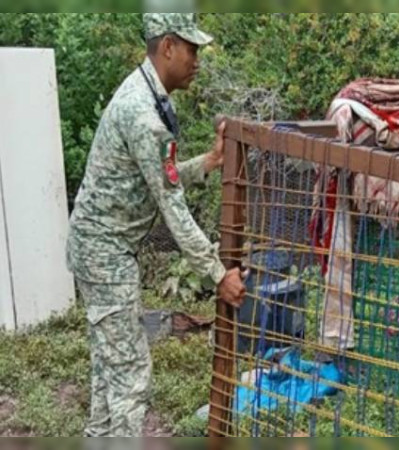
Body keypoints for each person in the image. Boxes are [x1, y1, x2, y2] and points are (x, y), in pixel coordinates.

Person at [66, 13, 245, 437]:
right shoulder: (143, 115)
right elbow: (173, 207)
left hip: (100, 249)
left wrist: (210, 162)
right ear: (168, 47)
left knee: (107, 373)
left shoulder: (145, 96)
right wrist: (218, 274)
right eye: (192, 49)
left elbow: (157, 179)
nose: (197, 59)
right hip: (105, 254)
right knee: (129, 379)